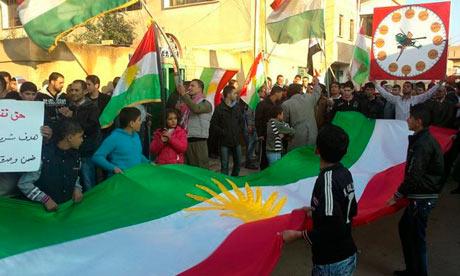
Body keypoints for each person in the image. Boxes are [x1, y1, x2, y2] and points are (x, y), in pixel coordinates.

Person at [282, 125, 358, 276]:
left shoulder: (327, 181)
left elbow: (332, 227)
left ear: (317, 150)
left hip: (332, 262)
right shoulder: (345, 173)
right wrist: (315, 211)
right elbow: (351, 209)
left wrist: (298, 235)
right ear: (345, 152)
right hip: (347, 255)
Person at [388, 104, 444, 276]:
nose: (407, 119)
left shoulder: (422, 144)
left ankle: (419, 272)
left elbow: (414, 175)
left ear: (418, 122)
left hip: (422, 197)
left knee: (416, 238)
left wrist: (396, 195)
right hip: (421, 195)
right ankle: (413, 270)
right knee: (406, 230)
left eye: (410, 117)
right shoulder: (422, 139)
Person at [17, 119, 84, 211]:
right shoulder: (43, 156)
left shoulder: (76, 156)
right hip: (40, 213)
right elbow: (24, 184)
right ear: (69, 137)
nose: (82, 140)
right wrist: (45, 199)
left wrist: (77, 188)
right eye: (80, 137)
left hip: (64, 211)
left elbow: (74, 175)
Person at [59, 80, 100, 191]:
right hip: (70, 151)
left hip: (86, 151)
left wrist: (73, 117)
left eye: (77, 90)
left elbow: (91, 128)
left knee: (88, 181)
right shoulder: (69, 106)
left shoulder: (92, 107)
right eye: (72, 90)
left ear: (85, 91)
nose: (73, 93)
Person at [93, 107, 150, 175]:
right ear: (131, 123)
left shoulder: (136, 136)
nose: (141, 122)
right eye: (139, 120)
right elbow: (97, 157)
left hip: (134, 178)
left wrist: (148, 162)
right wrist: (113, 168)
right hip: (120, 181)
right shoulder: (114, 138)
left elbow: (137, 155)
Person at [177, 79, 212, 168]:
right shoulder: (187, 104)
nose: (189, 88)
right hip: (186, 140)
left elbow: (196, 109)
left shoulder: (206, 103)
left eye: (193, 86)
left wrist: (184, 95)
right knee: (188, 170)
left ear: (200, 89)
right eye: (189, 86)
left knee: (201, 170)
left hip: (199, 142)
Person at [210, 85, 244, 176]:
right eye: (234, 93)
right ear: (228, 94)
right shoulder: (219, 108)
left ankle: (234, 180)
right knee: (224, 165)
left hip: (236, 141)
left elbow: (241, 122)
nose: (236, 95)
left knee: (238, 163)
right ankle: (225, 183)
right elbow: (213, 124)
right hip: (224, 142)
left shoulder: (237, 107)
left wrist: (238, 132)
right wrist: (223, 133)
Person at [282, 78, 321, 150]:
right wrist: (316, 84)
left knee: (297, 158)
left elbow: (284, 122)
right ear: (300, 91)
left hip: (296, 136)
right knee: (310, 156)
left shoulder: (286, 104)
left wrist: (287, 135)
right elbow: (317, 93)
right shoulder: (309, 97)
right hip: (312, 134)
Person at [376, 81, 440, 121]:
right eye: (404, 86)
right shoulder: (397, 99)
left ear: (412, 90)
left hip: (410, 128)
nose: (405, 87)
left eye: (408, 86)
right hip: (398, 127)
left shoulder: (415, 99)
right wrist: (375, 83)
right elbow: (385, 94)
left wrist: (440, 83)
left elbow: (428, 94)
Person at [255, 85, 283, 170]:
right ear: (276, 93)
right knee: (264, 157)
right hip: (265, 135)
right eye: (281, 93)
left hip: (276, 135)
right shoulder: (262, 104)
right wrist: (260, 134)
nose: (282, 95)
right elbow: (258, 120)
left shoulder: (278, 104)